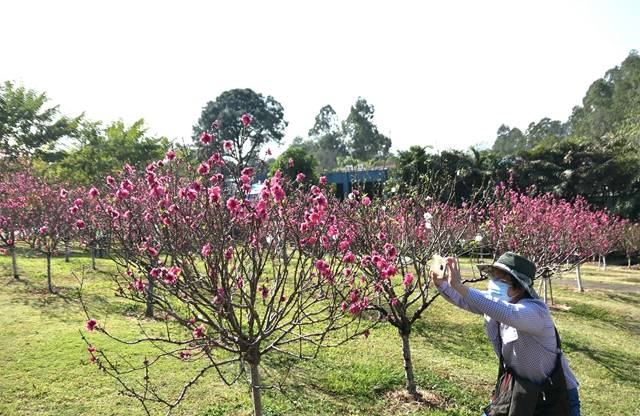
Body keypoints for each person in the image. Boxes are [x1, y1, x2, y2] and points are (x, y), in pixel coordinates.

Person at [430, 252, 581, 416]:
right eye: (493, 278)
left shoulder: (536, 312)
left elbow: (509, 314)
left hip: (553, 396)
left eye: (502, 281)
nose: (494, 284)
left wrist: (459, 285)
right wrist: (442, 284)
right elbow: (466, 300)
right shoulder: (496, 305)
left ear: (520, 288)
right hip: (515, 388)